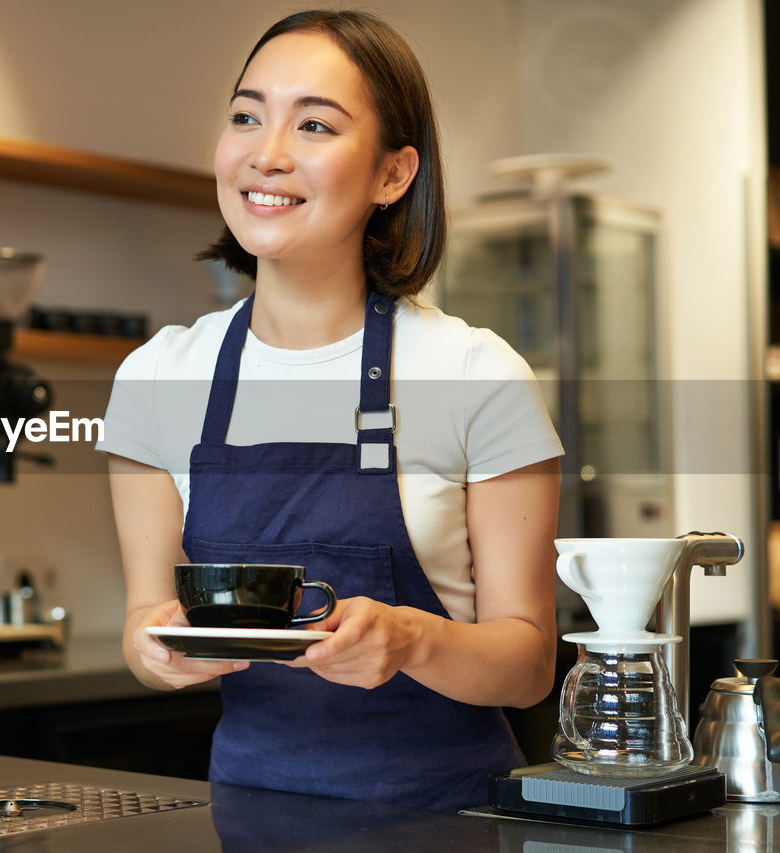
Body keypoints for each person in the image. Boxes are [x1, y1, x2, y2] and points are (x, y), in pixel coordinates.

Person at [96, 9, 563, 810]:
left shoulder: (475, 372)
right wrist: (157, 650)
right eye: (247, 116)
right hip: (247, 814)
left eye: (314, 124)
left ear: (393, 175)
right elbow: (147, 624)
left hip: (447, 818)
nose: (265, 153)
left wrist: (413, 637)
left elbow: (526, 666)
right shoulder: (156, 375)